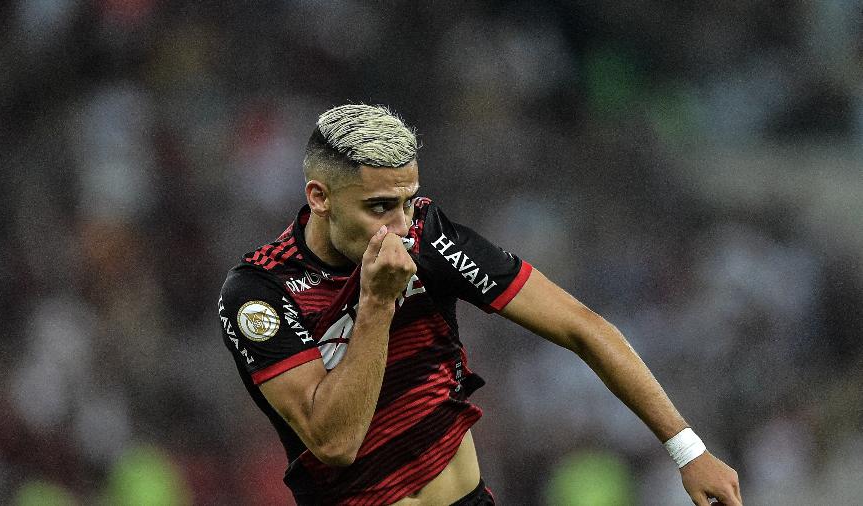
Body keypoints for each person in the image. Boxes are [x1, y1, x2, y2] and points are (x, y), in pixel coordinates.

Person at [218, 104, 742, 505]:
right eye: (379, 207)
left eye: (406, 200)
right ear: (320, 197)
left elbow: (582, 326)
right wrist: (376, 302)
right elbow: (335, 443)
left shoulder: (429, 235)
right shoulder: (260, 292)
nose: (400, 226)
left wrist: (688, 451)